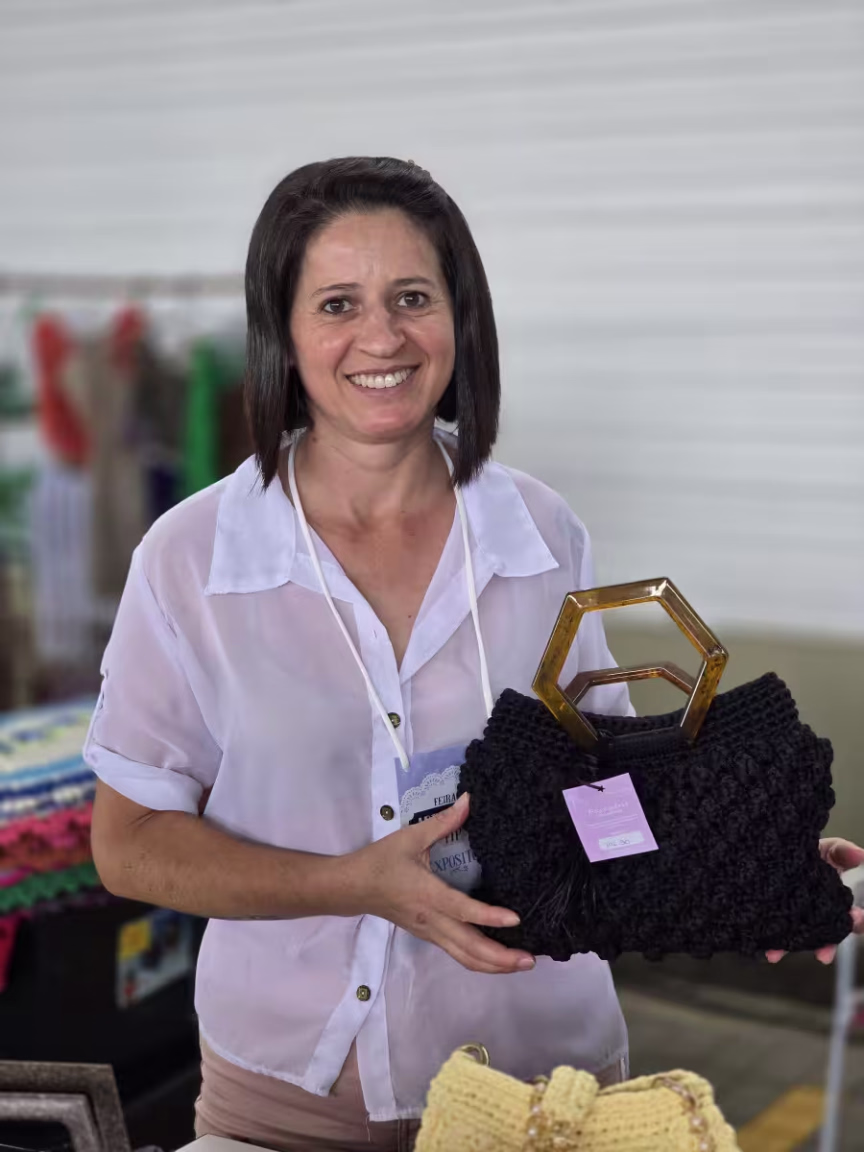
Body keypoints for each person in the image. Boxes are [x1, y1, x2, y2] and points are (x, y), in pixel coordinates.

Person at [87, 157, 864, 1152]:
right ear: (282, 329)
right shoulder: (193, 559)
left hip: (545, 1096)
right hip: (286, 1109)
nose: (382, 337)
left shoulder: (537, 532)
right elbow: (130, 843)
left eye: (413, 297)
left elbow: (606, 796)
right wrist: (355, 881)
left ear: (461, 318)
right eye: (338, 303)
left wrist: (739, 857)